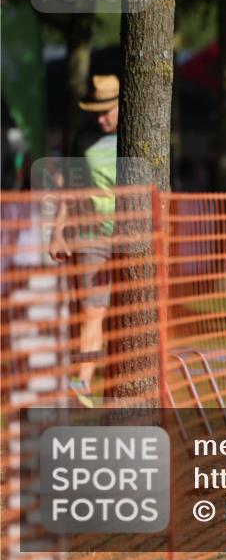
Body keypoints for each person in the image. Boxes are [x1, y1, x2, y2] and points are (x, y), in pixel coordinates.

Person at [48, 74, 119, 407]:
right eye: (96, 112)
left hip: (133, 235)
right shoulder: (84, 139)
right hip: (92, 235)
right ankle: (83, 382)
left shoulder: (138, 135)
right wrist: (57, 230)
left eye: (107, 111)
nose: (100, 118)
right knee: (93, 310)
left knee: (126, 311)